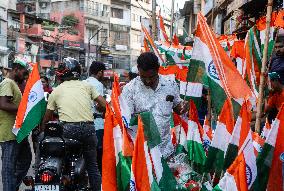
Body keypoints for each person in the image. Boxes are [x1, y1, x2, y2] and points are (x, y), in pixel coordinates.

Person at [42, 57, 106, 191]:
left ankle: (42, 169)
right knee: (93, 167)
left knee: (56, 153)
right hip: (89, 129)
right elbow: (104, 104)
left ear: (64, 72)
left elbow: (47, 117)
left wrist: (43, 129)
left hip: (68, 130)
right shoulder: (87, 86)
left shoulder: (57, 90)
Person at [121, 52, 189, 159]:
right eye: (143, 77)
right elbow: (126, 122)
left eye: (151, 77)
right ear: (138, 70)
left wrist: (184, 107)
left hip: (166, 151)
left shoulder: (170, 84)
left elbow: (178, 108)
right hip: (142, 155)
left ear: (158, 70)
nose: (148, 81)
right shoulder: (130, 89)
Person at [0, 58, 32, 191]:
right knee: (8, 169)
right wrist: (22, 109)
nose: (25, 76)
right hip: (9, 133)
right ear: (16, 69)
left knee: (26, 160)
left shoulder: (14, 84)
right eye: (24, 73)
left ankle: (13, 186)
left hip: (18, 132)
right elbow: (3, 104)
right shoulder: (7, 82)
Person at [84, 61, 106, 173]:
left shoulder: (83, 82)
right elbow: (99, 106)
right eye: (103, 72)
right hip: (97, 124)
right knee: (98, 153)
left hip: (84, 122)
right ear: (100, 72)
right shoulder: (98, 84)